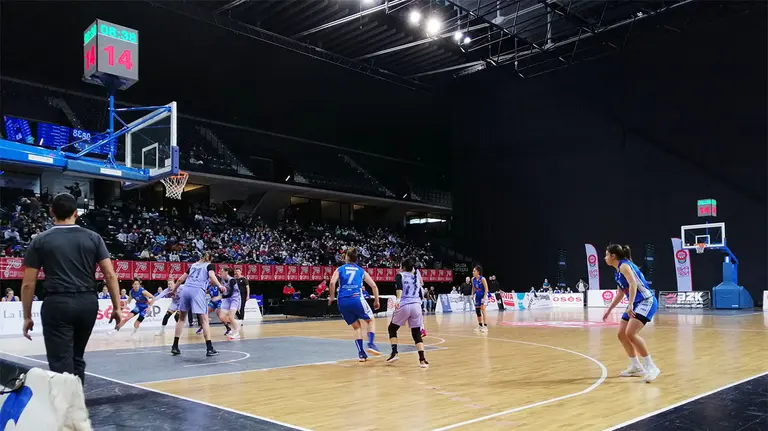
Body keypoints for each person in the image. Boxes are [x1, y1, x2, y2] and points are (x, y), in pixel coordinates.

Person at [21, 192, 121, 385]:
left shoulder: (40, 240)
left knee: (60, 363)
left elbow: (28, 283)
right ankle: (76, 404)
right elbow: (109, 274)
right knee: (77, 357)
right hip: (87, 303)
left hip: (57, 304)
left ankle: (66, 410)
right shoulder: (94, 238)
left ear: (51, 212)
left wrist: (27, 316)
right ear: (76, 213)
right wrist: (117, 307)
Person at [602, 244, 660, 383]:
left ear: (613, 256)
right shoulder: (617, 271)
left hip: (646, 301)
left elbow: (633, 284)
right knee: (621, 334)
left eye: (606, 255)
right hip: (635, 303)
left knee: (631, 333)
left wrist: (630, 304)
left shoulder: (624, 266)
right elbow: (621, 293)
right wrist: (609, 310)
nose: (604, 258)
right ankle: (636, 367)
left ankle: (651, 367)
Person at [328, 247, 381, 362]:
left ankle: (361, 354)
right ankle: (371, 344)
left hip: (342, 301)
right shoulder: (361, 271)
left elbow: (332, 282)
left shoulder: (340, 269)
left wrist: (332, 297)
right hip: (356, 298)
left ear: (347, 257)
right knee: (371, 320)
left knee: (356, 327)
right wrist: (376, 301)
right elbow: (374, 286)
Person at [171, 252, 223, 356]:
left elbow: (181, 279)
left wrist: (174, 290)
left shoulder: (193, 265)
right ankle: (209, 348)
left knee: (181, 319)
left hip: (186, 290)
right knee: (204, 320)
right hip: (197, 291)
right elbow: (212, 275)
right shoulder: (209, 265)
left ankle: (175, 346)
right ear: (210, 259)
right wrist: (220, 285)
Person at [386, 258, 429, 368]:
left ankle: (394, 352)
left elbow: (399, 287)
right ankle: (422, 360)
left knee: (392, 329)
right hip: (416, 306)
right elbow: (421, 292)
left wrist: (398, 299)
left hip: (405, 304)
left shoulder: (400, 275)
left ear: (403, 267)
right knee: (416, 333)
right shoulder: (416, 277)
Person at [219, 267, 241, 340]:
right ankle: (236, 322)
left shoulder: (232, 280)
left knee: (231, 317)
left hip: (234, 299)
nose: (220, 272)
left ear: (226, 272)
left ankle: (237, 333)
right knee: (221, 316)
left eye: (222, 271)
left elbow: (231, 293)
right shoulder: (222, 280)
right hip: (227, 299)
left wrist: (221, 296)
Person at [472, 265, 489, 333]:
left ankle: (485, 326)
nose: (473, 272)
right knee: (477, 311)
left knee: (483, 310)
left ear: (478, 272)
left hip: (483, 295)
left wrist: (484, 298)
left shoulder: (482, 279)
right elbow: (473, 288)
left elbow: (486, 289)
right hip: (477, 296)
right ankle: (480, 325)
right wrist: (472, 294)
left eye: (474, 271)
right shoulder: (473, 279)